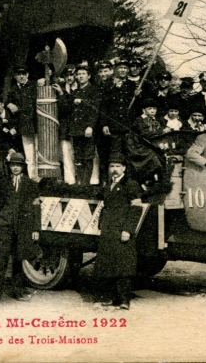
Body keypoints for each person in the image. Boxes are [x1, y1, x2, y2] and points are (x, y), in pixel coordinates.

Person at [0, 152, 41, 303]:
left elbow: (36, 209)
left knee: (19, 260)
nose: (15, 168)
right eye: (13, 165)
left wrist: (36, 229)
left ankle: (17, 291)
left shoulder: (31, 185)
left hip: (23, 229)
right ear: (9, 167)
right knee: (1, 260)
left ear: (23, 167)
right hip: (5, 228)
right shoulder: (2, 184)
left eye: (18, 165)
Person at [94, 153, 144, 310]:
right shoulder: (109, 185)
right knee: (108, 265)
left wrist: (128, 230)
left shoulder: (131, 184)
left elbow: (136, 209)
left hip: (122, 230)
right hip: (108, 230)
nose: (114, 170)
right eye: (112, 166)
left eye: (117, 167)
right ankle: (109, 297)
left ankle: (124, 300)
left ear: (124, 168)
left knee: (123, 266)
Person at [60, 64, 100, 185]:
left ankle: (86, 184)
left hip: (87, 130)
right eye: (79, 74)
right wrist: (62, 95)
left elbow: (95, 109)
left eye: (83, 74)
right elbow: (68, 107)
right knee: (78, 158)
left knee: (88, 157)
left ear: (89, 76)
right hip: (76, 130)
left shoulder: (93, 90)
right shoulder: (76, 91)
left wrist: (90, 126)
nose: (81, 76)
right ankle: (81, 183)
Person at [7, 65, 38, 179]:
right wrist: (8, 104)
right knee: (29, 156)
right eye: (19, 74)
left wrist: (18, 108)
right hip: (24, 127)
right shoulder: (13, 90)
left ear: (27, 75)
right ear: (15, 76)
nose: (21, 76)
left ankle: (42, 180)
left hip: (37, 125)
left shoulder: (34, 86)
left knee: (39, 154)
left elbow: (31, 107)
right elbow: (8, 103)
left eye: (23, 74)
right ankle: (32, 179)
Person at [100, 60, 136, 158]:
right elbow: (104, 105)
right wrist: (105, 124)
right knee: (115, 153)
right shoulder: (109, 85)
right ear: (116, 69)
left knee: (130, 153)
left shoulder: (132, 85)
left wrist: (138, 95)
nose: (123, 70)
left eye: (125, 68)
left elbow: (137, 106)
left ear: (128, 70)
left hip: (128, 126)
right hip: (114, 126)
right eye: (120, 68)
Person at [53, 66, 78, 184]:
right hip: (65, 128)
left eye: (71, 75)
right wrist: (62, 94)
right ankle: (70, 180)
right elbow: (64, 108)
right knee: (66, 154)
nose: (69, 78)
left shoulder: (80, 88)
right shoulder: (60, 90)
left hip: (79, 127)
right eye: (66, 76)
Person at [0, 97, 21, 167]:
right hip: (5, 147)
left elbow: (20, 129)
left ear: (3, 104)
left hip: (19, 145)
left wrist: (14, 148)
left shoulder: (13, 114)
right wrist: (9, 149)